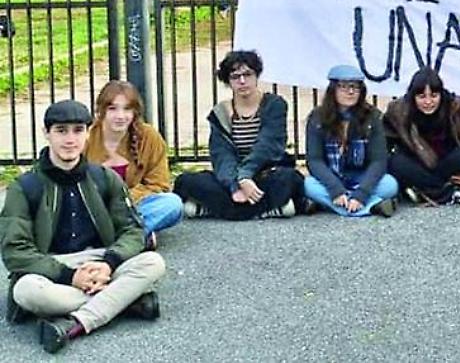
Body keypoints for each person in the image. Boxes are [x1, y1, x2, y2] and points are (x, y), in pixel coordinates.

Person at [1, 100, 165, 354]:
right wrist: (70, 276)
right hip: (52, 268)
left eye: (78, 130)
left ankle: (76, 323)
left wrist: (109, 263)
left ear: (88, 133)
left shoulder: (104, 177)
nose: (70, 139)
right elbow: (15, 251)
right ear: (47, 133)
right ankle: (124, 301)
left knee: (154, 262)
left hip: (99, 261)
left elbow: (133, 230)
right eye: (61, 131)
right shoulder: (24, 187)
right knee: (25, 291)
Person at [173, 50, 304, 219]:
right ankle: (268, 210)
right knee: (186, 180)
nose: (242, 81)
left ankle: (213, 210)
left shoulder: (274, 105)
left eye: (247, 74)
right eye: (235, 77)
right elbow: (222, 156)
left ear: (257, 76)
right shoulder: (220, 112)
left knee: (289, 178)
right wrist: (235, 185)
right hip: (232, 179)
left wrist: (245, 176)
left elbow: (268, 146)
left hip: (264, 174)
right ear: (228, 81)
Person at [385, 67, 460, 205]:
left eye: (434, 95)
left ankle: (424, 192)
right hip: (418, 162)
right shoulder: (398, 109)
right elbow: (385, 138)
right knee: (395, 162)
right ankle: (450, 192)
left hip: (449, 162)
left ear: (441, 94)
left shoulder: (458, 105)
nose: (428, 102)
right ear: (413, 96)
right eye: (422, 97)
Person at [84, 81, 182, 247]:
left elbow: (159, 184)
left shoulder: (149, 136)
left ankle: (112, 238)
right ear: (101, 111)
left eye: (127, 109)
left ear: (135, 111)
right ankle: (135, 237)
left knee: (172, 204)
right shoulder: (86, 137)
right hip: (93, 208)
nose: (120, 116)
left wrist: (123, 201)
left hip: (134, 206)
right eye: (113, 108)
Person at [303, 65, 399, 217]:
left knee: (390, 184)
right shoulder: (318, 117)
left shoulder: (372, 116)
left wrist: (362, 194)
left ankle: (333, 205)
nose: (350, 91)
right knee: (308, 185)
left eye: (355, 87)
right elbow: (315, 160)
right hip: (332, 177)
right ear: (333, 89)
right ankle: (373, 206)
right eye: (343, 87)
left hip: (361, 176)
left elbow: (379, 161)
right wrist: (335, 190)